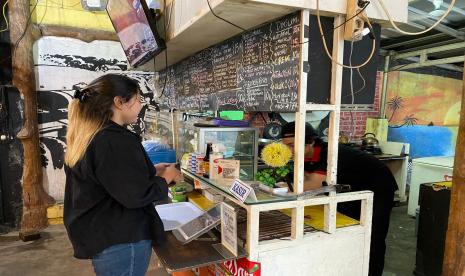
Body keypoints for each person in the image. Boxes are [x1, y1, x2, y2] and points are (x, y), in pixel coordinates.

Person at [63, 74, 180, 276]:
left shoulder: (93, 135)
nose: (141, 105)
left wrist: (153, 170)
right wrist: (167, 176)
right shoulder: (113, 140)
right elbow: (136, 195)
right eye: (138, 99)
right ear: (119, 102)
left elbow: (114, 179)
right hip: (122, 241)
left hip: (101, 234)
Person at [281, 122, 397, 276]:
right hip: (351, 188)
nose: (289, 150)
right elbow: (305, 179)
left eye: (292, 145)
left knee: (373, 236)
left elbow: (315, 184)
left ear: (310, 141)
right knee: (350, 230)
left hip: (378, 186)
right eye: (286, 146)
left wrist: (285, 187)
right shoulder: (305, 155)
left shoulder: (328, 153)